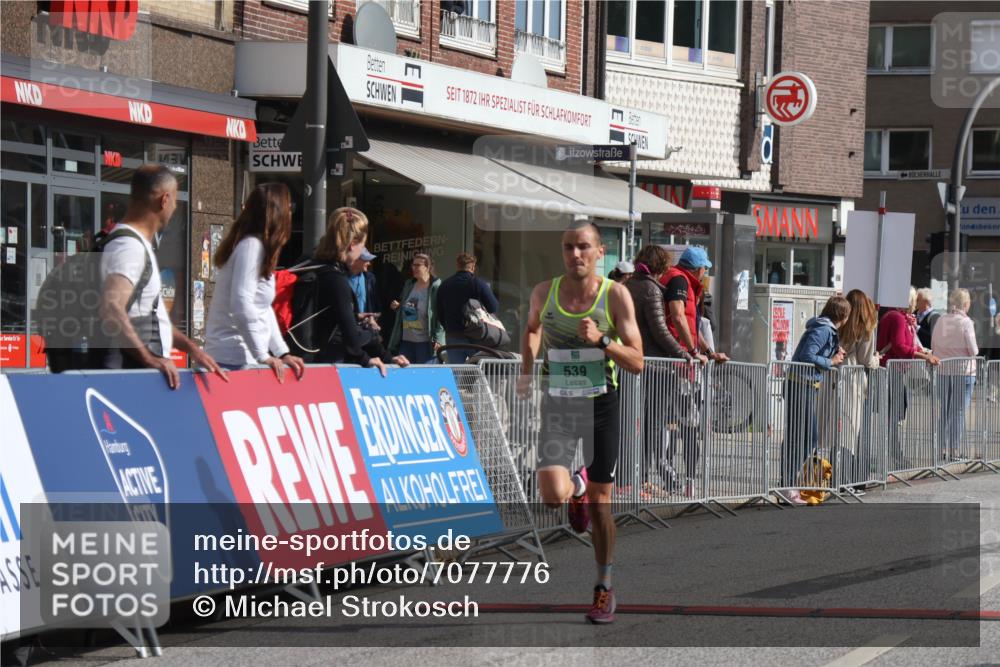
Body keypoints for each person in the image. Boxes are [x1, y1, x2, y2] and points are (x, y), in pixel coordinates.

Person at [516, 221, 644, 624]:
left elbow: (638, 361)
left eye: (583, 247)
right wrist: (526, 367)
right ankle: (576, 486)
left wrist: (603, 341)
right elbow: (532, 330)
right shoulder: (544, 292)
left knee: (601, 507)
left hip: (601, 406)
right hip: (558, 405)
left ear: (599, 251)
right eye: (569, 247)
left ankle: (604, 587)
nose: (575, 254)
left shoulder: (615, 295)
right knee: (552, 494)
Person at [99, 164, 226, 390]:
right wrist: (150, 359)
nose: (176, 206)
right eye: (175, 199)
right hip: (133, 379)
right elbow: (110, 309)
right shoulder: (130, 247)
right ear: (164, 199)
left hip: (138, 376)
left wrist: (192, 349)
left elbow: (148, 317)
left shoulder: (134, 244)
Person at [204, 183, 306, 383]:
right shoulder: (251, 247)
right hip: (232, 358)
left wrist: (281, 352)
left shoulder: (256, 247)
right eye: (290, 207)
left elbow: (263, 308)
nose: (291, 214)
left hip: (243, 357)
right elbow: (241, 303)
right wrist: (263, 354)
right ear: (278, 213)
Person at [625, 245, 691, 496]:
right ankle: (640, 479)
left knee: (631, 423)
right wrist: (685, 353)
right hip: (654, 366)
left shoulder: (629, 285)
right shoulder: (650, 290)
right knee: (653, 424)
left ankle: (630, 479)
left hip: (632, 363)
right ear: (660, 267)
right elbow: (660, 331)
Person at [310, 207, 410, 375]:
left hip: (303, 360)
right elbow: (351, 336)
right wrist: (368, 356)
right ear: (352, 244)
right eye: (362, 246)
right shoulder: (336, 279)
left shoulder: (311, 263)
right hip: (326, 366)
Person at [780, 296, 850, 505]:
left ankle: (789, 483)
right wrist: (831, 360)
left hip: (806, 385)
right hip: (800, 384)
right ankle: (787, 485)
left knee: (806, 437)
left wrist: (834, 352)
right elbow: (807, 356)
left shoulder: (824, 329)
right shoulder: (822, 329)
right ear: (842, 316)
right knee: (801, 437)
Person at [877, 298, 940, 469]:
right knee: (893, 417)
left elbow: (905, 344)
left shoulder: (898, 317)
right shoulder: (896, 317)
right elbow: (899, 346)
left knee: (894, 416)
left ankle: (894, 455)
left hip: (895, 371)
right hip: (891, 371)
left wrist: (924, 352)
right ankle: (893, 457)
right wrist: (924, 356)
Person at [832, 289, 881, 491]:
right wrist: (877, 359)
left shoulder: (839, 326)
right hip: (853, 381)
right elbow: (866, 360)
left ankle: (836, 477)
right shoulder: (866, 329)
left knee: (837, 430)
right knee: (854, 431)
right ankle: (851, 480)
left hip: (835, 377)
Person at [932, 288, 979, 460]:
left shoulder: (941, 320)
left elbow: (934, 344)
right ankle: (954, 449)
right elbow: (973, 350)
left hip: (943, 370)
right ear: (966, 304)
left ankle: (941, 448)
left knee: (944, 410)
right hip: (963, 371)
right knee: (958, 411)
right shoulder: (966, 322)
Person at [662, 246, 729, 365]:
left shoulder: (683, 280)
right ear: (699, 269)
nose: (705, 272)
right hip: (674, 356)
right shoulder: (679, 280)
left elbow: (690, 326)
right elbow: (678, 317)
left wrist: (709, 352)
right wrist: (693, 352)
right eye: (705, 268)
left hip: (678, 355)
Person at [436, 252, 500, 363]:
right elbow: (493, 307)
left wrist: (449, 328)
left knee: (457, 374)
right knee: (478, 372)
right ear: (473, 267)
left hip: (453, 336)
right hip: (476, 336)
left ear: (457, 265)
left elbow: (439, 312)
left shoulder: (445, 285)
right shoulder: (477, 283)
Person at [388, 253, 445, 364]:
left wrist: (438, 338)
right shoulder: (409, 285)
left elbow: (441, 315)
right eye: (413, 265)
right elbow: (409, 308)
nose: (414, 268)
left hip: (425, 343)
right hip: (406, 341)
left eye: (417, 265)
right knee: (404, 376)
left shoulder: (436, 287)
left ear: (427, 267)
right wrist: (398, 307)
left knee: (424, 377)